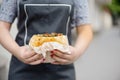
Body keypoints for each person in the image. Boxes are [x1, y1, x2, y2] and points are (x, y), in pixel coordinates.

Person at [0, 0, 93, 80]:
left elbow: (85, 30)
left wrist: (77, 52)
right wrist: (17, 51)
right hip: (23, 69)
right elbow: (2, 27)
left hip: (62, 70)